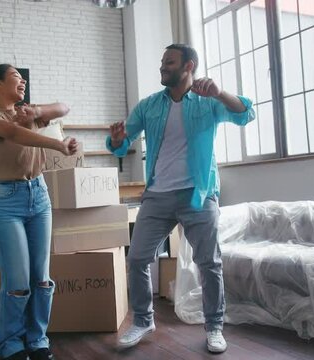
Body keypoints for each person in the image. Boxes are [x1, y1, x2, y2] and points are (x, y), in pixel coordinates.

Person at [106, 44, 256, 354]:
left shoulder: (207, 101)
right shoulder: (150, 105)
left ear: (188, 66)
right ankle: (143, 320)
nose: (163, 67)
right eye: (162, 62)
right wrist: (117, 140)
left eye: (169, 62)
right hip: (157, 195)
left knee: (209, 263)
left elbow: (246, 114)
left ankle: (214, 326)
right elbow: (121, 145)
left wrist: (219, 93)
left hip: (198, 194)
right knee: (136, 259)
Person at [0, 64, 78, 360]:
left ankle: (37, 340)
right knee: (18, 281)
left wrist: (36, 112)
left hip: (39, 196)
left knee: (41, 279)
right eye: (16, 78)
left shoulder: (28, 111)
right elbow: (13, 134)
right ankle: (10, 343)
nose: (22, 82)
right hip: (8, 203)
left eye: (23, 79)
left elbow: (64, 107)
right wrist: (57, 144)